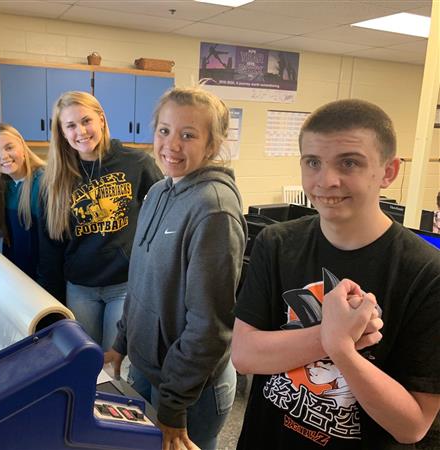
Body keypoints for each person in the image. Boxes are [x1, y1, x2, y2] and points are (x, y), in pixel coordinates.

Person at [232, 99, 440, 449]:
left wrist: (342, 351)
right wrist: (331, 336)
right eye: (313, 162)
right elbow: (244, 354)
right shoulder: (277, 243)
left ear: (388, 172)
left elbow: (412, 425)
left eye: (349, 162)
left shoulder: (426, 274)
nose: (326, 180)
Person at [105, 87, 247, 450]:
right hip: (150, 368)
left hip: (191, 391)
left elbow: (209, 325)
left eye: (188, 135)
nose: (171, 144)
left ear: (212, 145)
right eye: (164, 130)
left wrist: (173, 403)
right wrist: (121, 342)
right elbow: (141, 282)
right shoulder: (158, 192)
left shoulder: (213, 208)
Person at [41, 91, 162, 349]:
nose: (81, 131)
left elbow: (162, 214)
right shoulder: (57, 175)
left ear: (102, 120)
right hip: (80, 287)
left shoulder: (137, 162)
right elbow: (53, 242)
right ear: (62, 133)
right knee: (85, 359)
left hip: (125, 283)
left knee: (116, 364)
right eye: (71, 126)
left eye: (86, 121)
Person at [0, 123, 65, 301]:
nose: (3, 156)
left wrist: (43, 291)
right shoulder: (4, 186)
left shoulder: (44, 183)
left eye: (9, 147)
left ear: (23, 147)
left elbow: (52, 251)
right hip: (19, 282)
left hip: (46, 288)